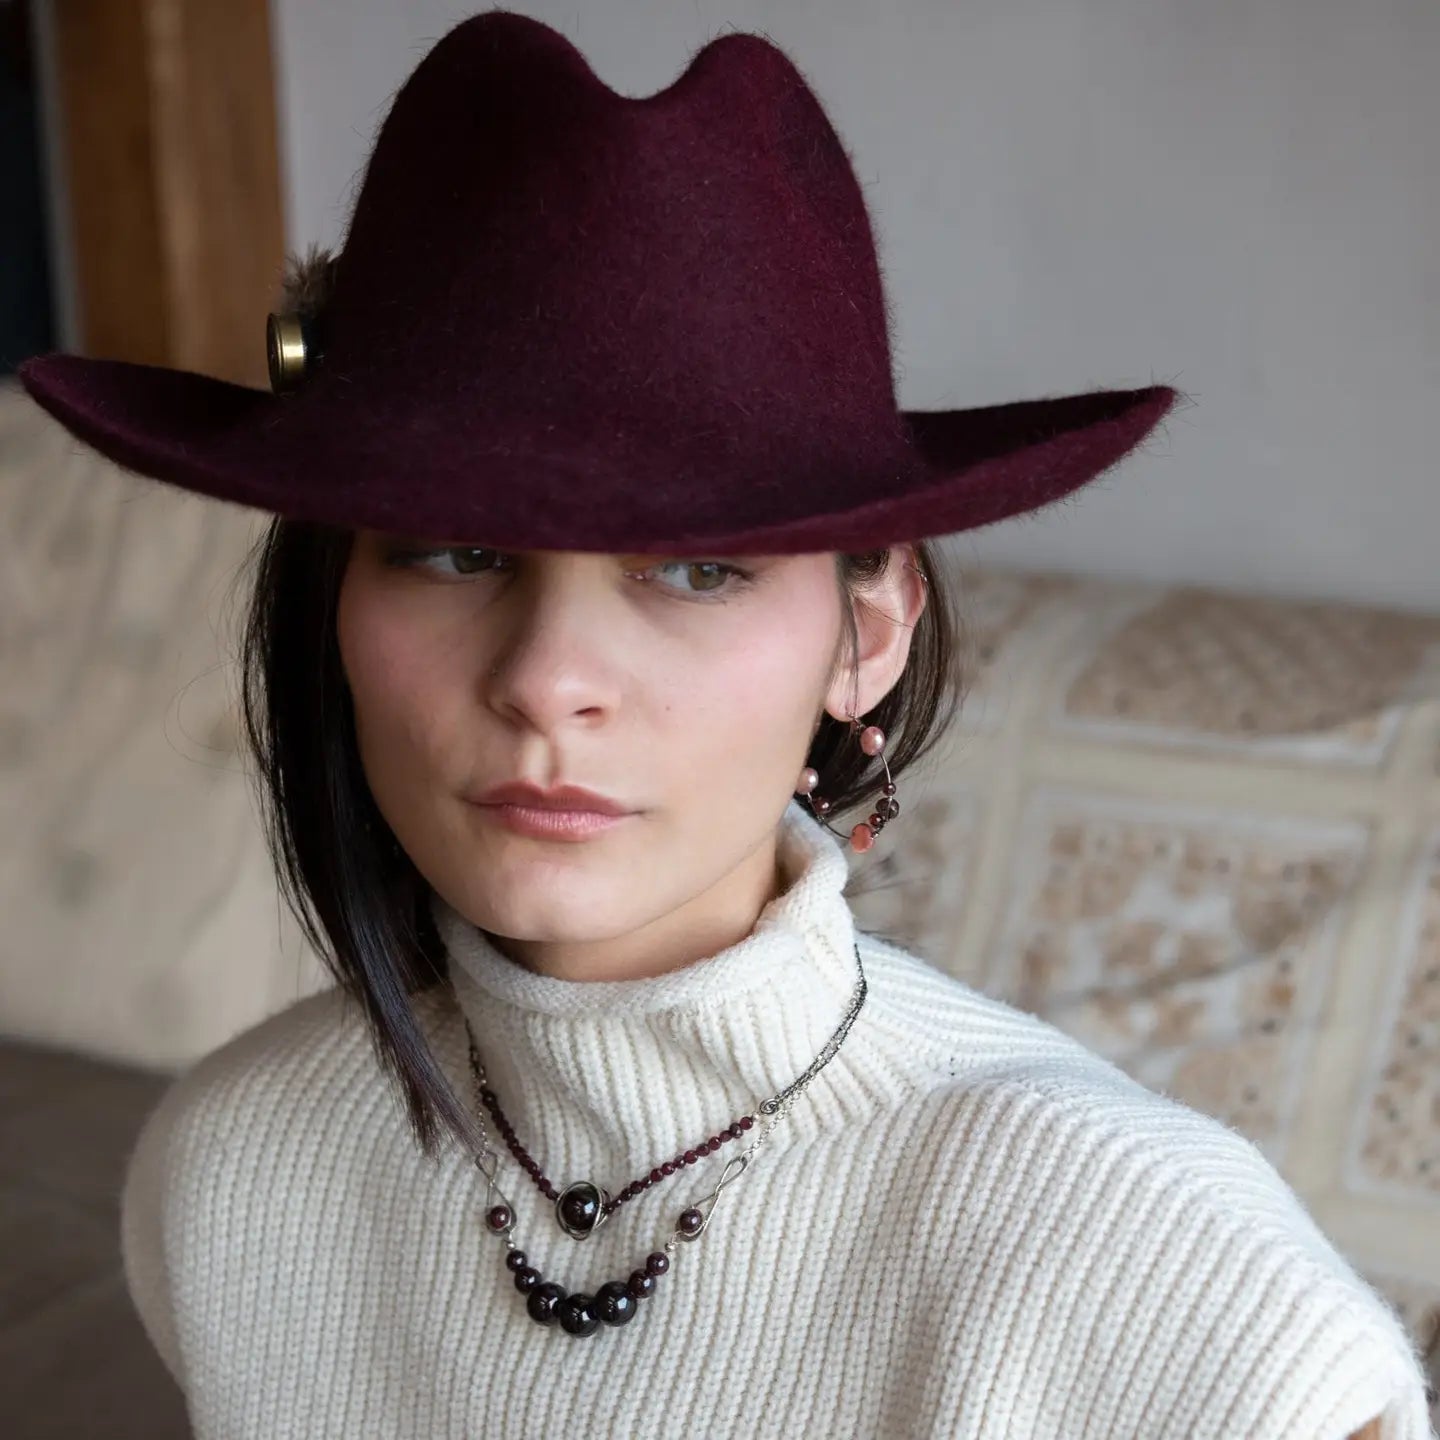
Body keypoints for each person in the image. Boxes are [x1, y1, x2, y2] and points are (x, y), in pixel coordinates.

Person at [18, 11, 1430, 1439]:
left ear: (868, 631)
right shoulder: (226, 1173)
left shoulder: (1154, 1276)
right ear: (333, 600)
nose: (550, 677)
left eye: (699, 570)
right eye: (452, 551)